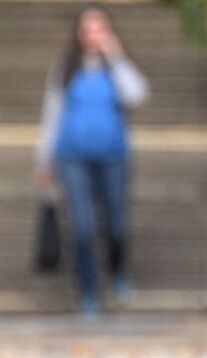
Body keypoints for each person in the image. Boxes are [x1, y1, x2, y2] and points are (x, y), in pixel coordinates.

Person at [35, 4, 149, 315]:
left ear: (109, 32)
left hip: (113, 158)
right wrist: (43, 161)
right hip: (72, 159)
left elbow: (137, 95)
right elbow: (52, 115)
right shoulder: (65, 68)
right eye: (88, 29)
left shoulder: (118, 67)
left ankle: (118, 272)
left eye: (100, 28)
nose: (93, 35)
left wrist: (116, 56)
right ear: (78, 34)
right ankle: (89, 293)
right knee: (82, 228)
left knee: (116, 226)